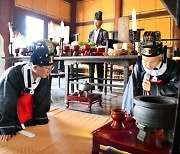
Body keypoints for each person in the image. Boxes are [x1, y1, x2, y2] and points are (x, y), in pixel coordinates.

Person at [0, 39, 54, 141]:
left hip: (25, 108)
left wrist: (41, 117)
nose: (49, 71)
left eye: (51, 68)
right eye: (47, 68)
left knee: (35, 122)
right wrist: (7, 126)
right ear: (34, 67)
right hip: (6, 106)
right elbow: (6, 100)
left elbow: (43, 98)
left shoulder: (44, 75)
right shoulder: (13, 74)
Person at [122, 31, 179, 114]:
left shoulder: (172, 67)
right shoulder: (139, 66)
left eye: (152, 62)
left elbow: (176, 90)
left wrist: (153, 87)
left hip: (165, 110)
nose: (147, 65)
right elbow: (131, 90)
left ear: (161, 57)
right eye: (145, 61)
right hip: (143, 109)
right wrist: (129, 112)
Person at [88, 11, 109, 92]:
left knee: (100, 68)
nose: (96, 24)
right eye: (95, 22)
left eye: (97, 22)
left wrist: (97, 46)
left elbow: (105, 42)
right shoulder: (91, 33)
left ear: (101, 23)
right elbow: (89, 42)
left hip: (99, 53)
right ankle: (91, 86)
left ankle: (100, 86)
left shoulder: (104, 32)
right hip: (92, 53)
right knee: (91, 68)